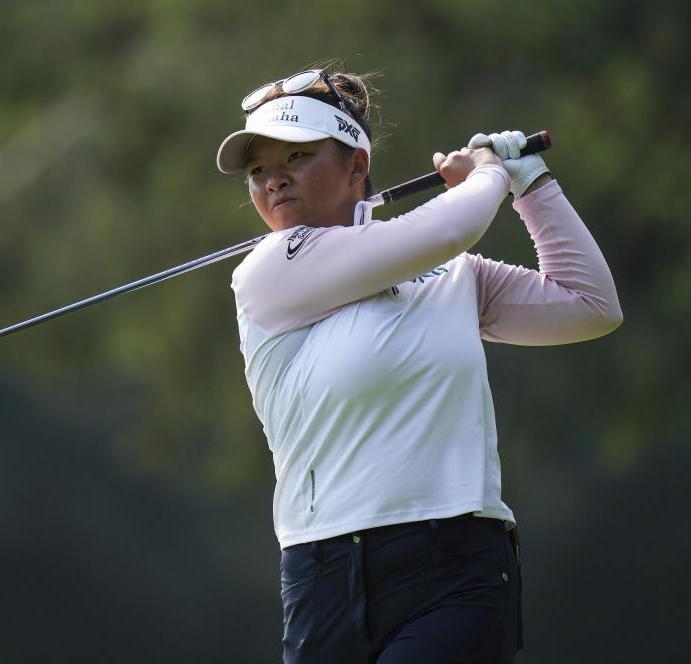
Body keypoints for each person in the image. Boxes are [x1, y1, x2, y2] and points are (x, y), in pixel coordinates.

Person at [215, 68, 622, 663]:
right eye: (257, 170)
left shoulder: (453, 275)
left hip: (455, 569)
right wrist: (488, 174)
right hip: (320, 575)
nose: (273, 179)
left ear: (357, 165)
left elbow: (590, 307)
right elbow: (452, 224)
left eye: (297, 156)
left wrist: (531, 183)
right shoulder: (270, 269)